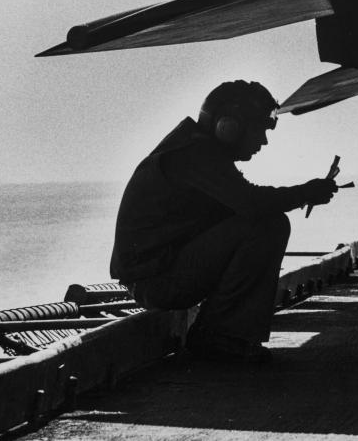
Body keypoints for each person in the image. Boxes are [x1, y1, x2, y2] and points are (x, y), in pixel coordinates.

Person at [110, 80, 338, 363]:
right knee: (267, 225)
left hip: (161, 274)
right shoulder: (194, 155)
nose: (263, 142)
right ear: (229, 126)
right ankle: (220, 337)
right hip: (158, 282)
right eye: (259, 131)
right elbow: (252, 204)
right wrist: (306, 192)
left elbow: (242, 203)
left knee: (265, 222)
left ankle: (222, 332)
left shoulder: (199, 151)